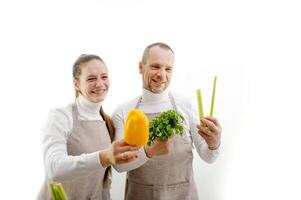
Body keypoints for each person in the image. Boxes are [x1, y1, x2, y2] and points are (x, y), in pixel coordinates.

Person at [112, 43, 222, 200]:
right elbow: (119, 165)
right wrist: (149, 151)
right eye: (155, 67)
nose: (162, 75)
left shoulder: (185, 105)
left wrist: (214, 144)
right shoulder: (123, 111)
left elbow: (208, 157)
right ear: (141, 67)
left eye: (168, 69)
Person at [37, 54, 139, 200]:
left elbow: (103, 183)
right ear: (76, 84)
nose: (99, 84)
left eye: (104, 77)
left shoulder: (107, 122)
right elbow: (54, 168)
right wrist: (104, 157)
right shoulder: (60, 116)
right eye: (91, 78)